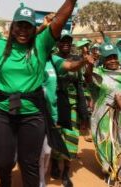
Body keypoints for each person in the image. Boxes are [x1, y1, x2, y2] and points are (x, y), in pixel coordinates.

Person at [0, 0, 88, 187]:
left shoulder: (41, 45)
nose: (23, 30)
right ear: (13, 27)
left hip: (33, 115)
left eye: (28, 26)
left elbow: (59, 19)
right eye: (19, 25)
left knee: (29, 164)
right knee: (2, 163)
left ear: (34, 29)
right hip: (3, 113)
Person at [50, 30, 91, 187]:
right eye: (62, 41)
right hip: (55, 104)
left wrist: (87, 63)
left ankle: (66, 170)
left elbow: (84, 81)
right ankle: (54, 162)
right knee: (56, 135)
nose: (65, 43)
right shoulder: (52, 60)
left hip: (72, 104)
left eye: (68, 41)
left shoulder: (77, 60)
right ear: (58, 43)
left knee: (71, 137)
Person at [86, 43, 121, 185]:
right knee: (105, 142)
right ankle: (108, 171)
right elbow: (88, 79)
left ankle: (117, 169)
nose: (112, 60)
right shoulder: (98, 74)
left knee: (118, 141)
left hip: (119, 117)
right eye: (108, 58)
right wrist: (89, 65)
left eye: (114, 57)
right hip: (103, 116)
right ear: (104, 60)